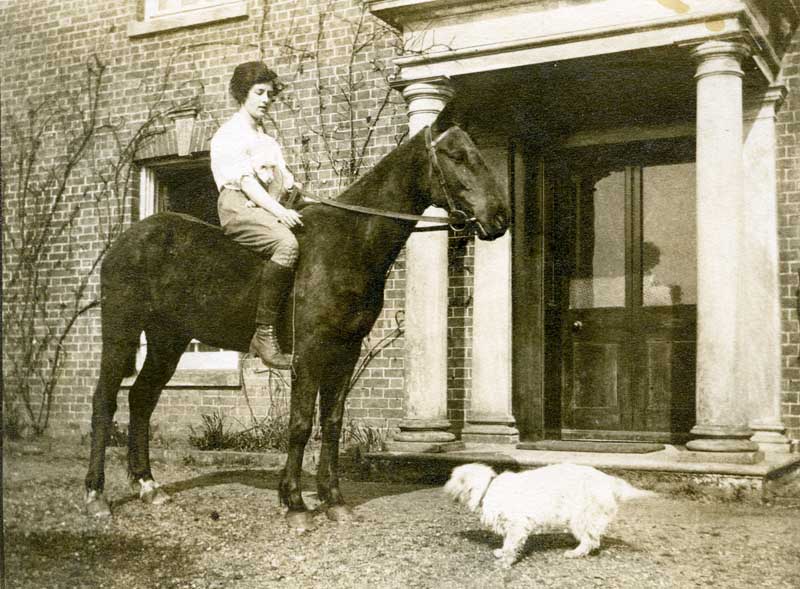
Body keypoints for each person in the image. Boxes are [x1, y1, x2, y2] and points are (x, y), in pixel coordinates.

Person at [210, 61, 303, 369]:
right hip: (239, 205)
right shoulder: (229, 134)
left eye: (270, 95)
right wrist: (278, 211)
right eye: (259, 93)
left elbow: (284, 181)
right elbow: (247, 183)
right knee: (286, 245)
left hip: (266, 204)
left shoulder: (267, 141)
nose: (266, 100)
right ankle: (263, 333)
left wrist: (293, 195)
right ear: (243, 94)